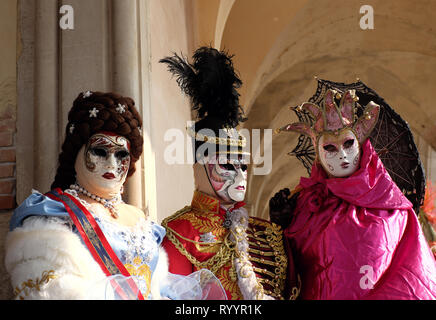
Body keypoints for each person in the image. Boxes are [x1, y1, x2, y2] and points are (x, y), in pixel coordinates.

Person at [5, 91, 225, 300]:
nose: (112, 164)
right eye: (100, 152)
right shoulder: (53, 213)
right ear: (76, 153)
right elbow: (49, 290)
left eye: (121, 154)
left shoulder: (142, 220)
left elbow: (159, 287)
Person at [159, 46, 300, 300]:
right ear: (200, 168)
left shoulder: (266, 233)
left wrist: (288, 228)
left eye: (243, 166)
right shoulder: (180, 232)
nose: (239, 175)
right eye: (226, 165)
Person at [272, 87, 436, 299]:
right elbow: (285, 267)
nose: (342, 155)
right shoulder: (306, 203)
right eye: (330, 148)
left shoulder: (394, 208)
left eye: (349, 144)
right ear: (318, 155)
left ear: (362, 146)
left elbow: (414, 273)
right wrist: (280, 224)